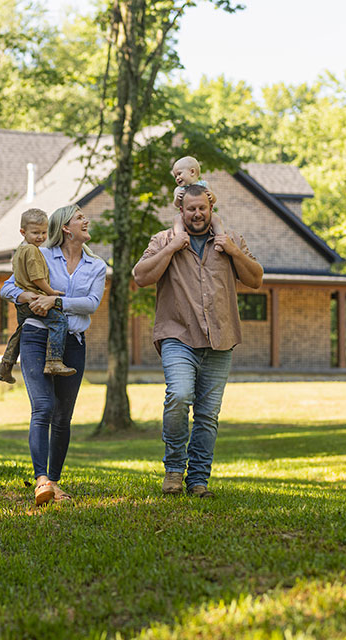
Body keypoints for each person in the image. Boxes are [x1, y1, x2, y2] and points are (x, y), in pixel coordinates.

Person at [133, 184, 263, 498]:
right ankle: (174, 470)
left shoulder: (230, 240)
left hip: (220, 339)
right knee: (178, 396)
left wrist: (232, 251)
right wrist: (171, 248)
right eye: (190, 209)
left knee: (207, 415)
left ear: (210, 208)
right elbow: (140, 276)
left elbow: (256, 279)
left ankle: (199, 481)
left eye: (202, 208)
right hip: (177, 336)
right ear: (181, 210)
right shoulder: (164, 239)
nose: (197, 214)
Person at [0, 204, 107, 506]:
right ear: (66, 228)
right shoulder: (40, 254)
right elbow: (6, 288)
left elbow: (91, 303)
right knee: (43, 407)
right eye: (79, 217)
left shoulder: (96, 265)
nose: (86, 220)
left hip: (73, 342)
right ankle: (42, 480)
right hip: (37, 338)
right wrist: (26, 295)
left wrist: (55, 302)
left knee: (62, 416)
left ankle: (55, 482)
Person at [0, 208, 76, 384]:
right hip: (35, 300)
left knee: (20, 330)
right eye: (35, 233)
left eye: (43, 233)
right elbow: (37, 278)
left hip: (23, 305)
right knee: (59, 321)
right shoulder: (32, 251)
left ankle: (5, 366)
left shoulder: (20, 250)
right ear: (23, 232)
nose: (40, 237)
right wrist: (51, 292)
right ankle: (54, 360)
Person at [170, 156, 224, 244]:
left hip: (206, 215)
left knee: (216, 219)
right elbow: (176, 205)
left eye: (179, 174)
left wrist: (212, 196)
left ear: (192, 172)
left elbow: (213, 201)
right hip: (185, 216)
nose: (177, 178)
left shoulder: (205, 185)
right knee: (177, 219)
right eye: (175, 176)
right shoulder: (179, 190)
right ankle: (180, 240)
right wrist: (177, 199)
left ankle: (221, 240)